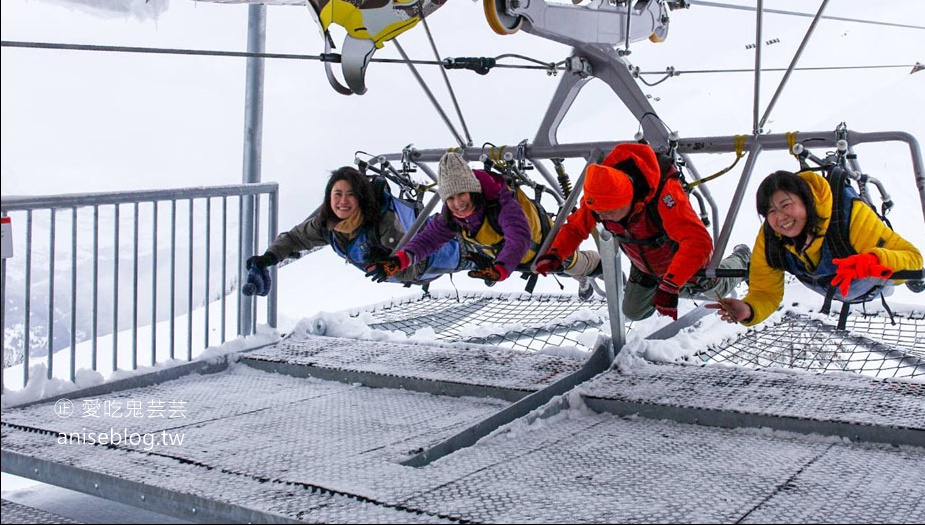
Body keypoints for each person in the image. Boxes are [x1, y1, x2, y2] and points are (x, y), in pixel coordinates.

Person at [538, 142, 750, 321]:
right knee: (633, 312)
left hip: (690, 265)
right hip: (646, 267)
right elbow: (575, 227)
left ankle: (742, 256)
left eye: (610, 212)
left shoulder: (664, 195)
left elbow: (698, 242)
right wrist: (555, 254)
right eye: (599, 213)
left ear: (627, 198)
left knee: (716, 290)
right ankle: (670, 290)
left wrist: (671, 283)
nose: (602, 218)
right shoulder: (600, 197)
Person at [707, 170, 923, 326]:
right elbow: (765, 291)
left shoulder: (851, 218)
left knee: (892, 281)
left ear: (806, 200)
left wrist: (873, 262)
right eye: (770, 211)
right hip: (826, 285)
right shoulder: (771, 237)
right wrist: (749, 309)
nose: (780, 217)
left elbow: (913, 259)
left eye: (786, 205)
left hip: (870, 286)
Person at [366, 152, 602, 293]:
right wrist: (399, 261)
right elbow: (428, 240)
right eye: (450, 198)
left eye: (462, 195)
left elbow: (519, 237)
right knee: (561, 272)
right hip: (510, 261)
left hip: (547, 247)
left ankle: (599, 268)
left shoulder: (501, 203)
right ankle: (582, 278)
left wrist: (500, 269)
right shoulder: (451, 216)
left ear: (473, 191)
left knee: (575, 264)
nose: (458, 204)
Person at [242, 166, 467, 296]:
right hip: (425, 255)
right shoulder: (327, 223)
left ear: (361, 198)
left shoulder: (382, 222)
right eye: (337, 194)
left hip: (445, 254)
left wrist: (389, 262)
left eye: (350, 195)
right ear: (329, 197)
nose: (343, 202)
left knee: (479, 249)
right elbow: (295, 238)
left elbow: (414, 268)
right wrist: (267, 259)